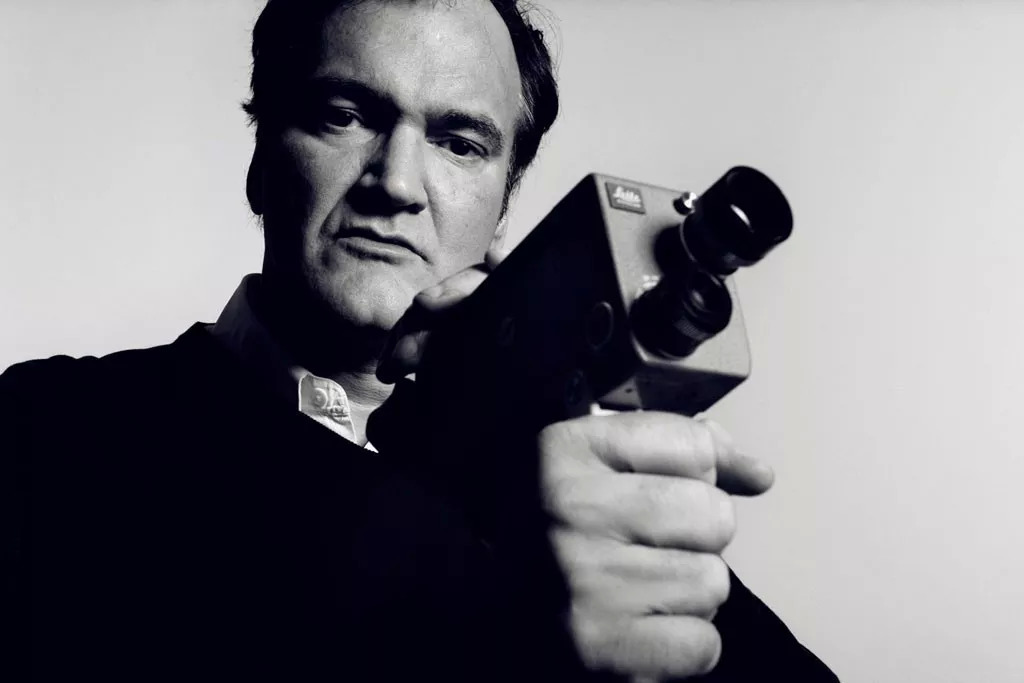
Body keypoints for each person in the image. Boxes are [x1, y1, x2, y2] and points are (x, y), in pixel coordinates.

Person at [3, 0, 838, 680]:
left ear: (503, 210)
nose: (397, 182)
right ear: (261, 159)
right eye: (345, 115)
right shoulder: (49, 425)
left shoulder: (546, 484)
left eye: (459, 143)